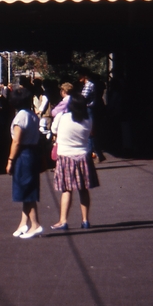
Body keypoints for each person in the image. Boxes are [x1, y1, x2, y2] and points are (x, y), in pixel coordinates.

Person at [51, 94, 99, 230]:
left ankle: (63, 220)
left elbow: (54, 130)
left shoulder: (62, 117)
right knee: (83, 190)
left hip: (66, 156)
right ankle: (85, 220)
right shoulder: (88, 119)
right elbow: (90, 134)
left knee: (67, 190)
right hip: (83, 156)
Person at [6, 87, 43, 239]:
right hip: (33, 154)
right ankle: (23, 223)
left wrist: (10, 160)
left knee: (26, 191)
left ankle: (35, 225)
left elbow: (16, 141)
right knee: (27, 188)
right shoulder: (32, 116)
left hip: (23, 155)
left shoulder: (20, 117)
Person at [79, 69, 105, 163]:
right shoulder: (96, 83)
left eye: (80, 75)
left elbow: (84, 97)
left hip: (90, 108)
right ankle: (98, 153)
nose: (79, 78)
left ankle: (90, 154)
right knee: (93, 131)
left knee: (90, 131)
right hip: (96, 108)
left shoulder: (89, 84)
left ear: (85, 76)